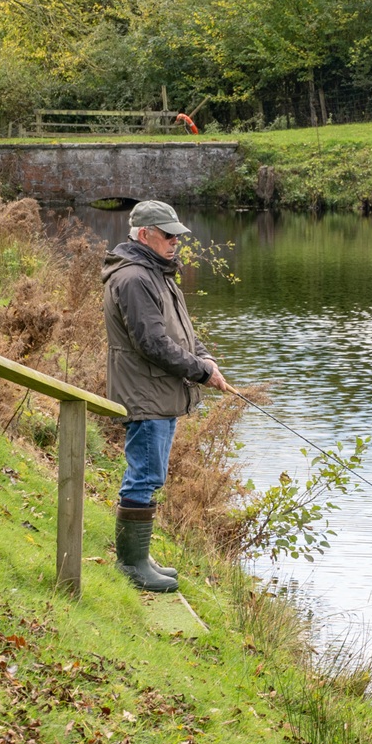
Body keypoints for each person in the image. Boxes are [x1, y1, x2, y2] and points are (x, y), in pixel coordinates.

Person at [101, 199, 228, 592]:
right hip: (145, 391)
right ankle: (132, 563)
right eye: (168, 235)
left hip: (160, 390)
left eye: (177, 235)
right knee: (144, 477)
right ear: (144, 235)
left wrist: (205, 359)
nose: (176, 241)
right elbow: (153, 343)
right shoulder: (135, 278)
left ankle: (139, 556)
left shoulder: (158, 273)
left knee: (149, 475)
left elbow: (183, 333)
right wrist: (200, 372)